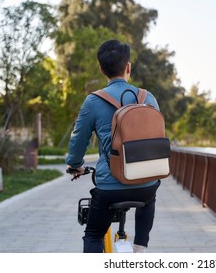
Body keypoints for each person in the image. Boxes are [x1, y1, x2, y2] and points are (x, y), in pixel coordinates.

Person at [66, 39, 161, 253]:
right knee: (150, 194)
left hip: (110, 187)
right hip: (145, 185)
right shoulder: (148, 99)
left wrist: (75, 164)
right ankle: (139, 249)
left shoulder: (93, 101)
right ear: (128, 67)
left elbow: (78, 140)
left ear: (101, 69)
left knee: (93, 234)